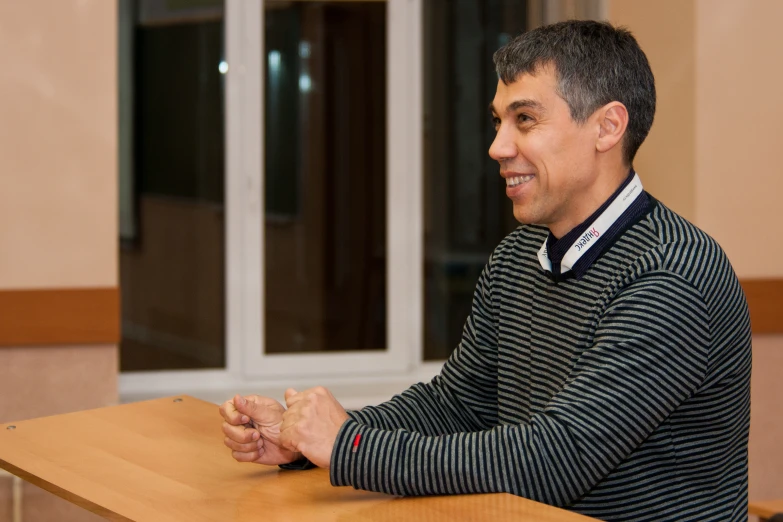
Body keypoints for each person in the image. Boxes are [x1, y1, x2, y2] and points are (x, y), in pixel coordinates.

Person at [219, 20, 751, 521]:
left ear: (607, 127)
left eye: (526, 119)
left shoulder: (672, 277)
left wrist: (348, 447)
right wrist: (308, 442)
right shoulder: (517, 257)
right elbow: (459, 405)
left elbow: (555, 458)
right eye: (498, 121)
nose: (497, 147)